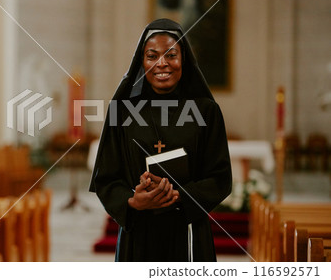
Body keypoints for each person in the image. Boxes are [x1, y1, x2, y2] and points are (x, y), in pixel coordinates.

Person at [89, 18, 232, 262]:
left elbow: (220, 178)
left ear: (183, 60)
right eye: (152, 56)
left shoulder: (207, 111)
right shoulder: (122, 111)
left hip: (188, 228)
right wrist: (132, 201)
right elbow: (107, 178)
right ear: (141, 62)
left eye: (171, 55)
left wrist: (178, 197)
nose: (161, 63)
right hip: (138, 231)